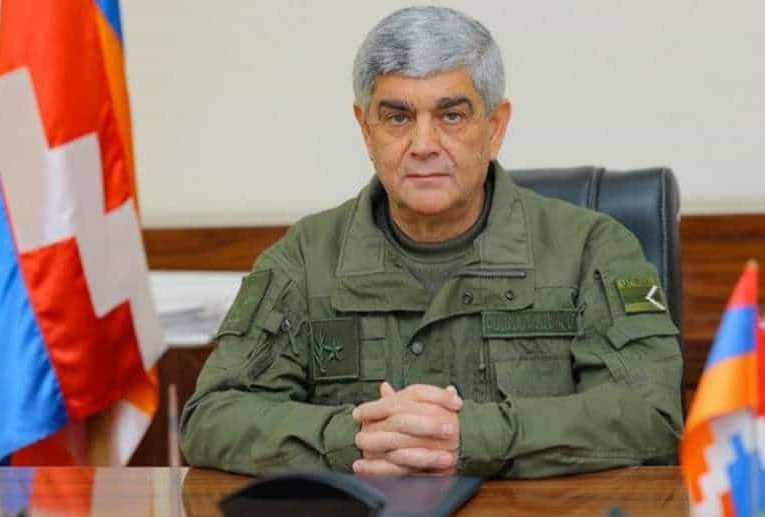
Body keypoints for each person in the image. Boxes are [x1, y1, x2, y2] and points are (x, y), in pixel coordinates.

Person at [180, 6, 683, 478]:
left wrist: (472, 437)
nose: (423, 145)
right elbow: (211, 417)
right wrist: (354, 439)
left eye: (451, 116)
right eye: (398, 118)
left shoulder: (591, 249)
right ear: (367, 130)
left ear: (495, 127)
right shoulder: (306, 258)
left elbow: (651, 414)